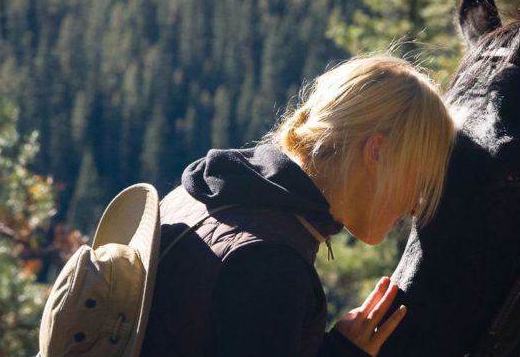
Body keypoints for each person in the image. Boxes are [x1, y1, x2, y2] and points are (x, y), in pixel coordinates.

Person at [140, 55, 456, 357]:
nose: (417, 205)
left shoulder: (199, 195)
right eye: (419, 179)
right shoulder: (272, 262)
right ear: (377, 152)